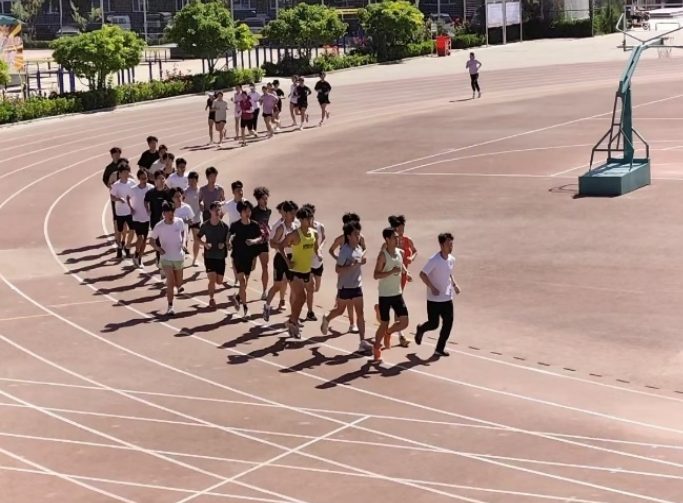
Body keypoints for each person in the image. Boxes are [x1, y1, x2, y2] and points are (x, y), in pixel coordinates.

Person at [321, 220, 371, 354]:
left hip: (357, 285)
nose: (358, 237)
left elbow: (359, 260)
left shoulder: (359, 248)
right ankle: (327, 318)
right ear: (348, 236)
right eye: (355, 234)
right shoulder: (344, 252)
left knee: (360, 313)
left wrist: (361, 262)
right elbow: (338, 269)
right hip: (345, 286)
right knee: (340, 310)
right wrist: (353, 265)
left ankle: (362, 341)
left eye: (359, 234)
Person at [414, 233, 461, 357]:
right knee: (434, 324)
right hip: (434, 299)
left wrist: (455, 285)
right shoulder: (434, 260)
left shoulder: (451, 259)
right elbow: (422, 274)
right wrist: (432, 287)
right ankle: (421, 329)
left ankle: (439, 348)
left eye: (451, 244)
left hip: (447, 298)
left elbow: (449, 273)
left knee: (448, 324)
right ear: (441, 245)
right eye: (447, 244)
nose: (450, 247)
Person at [374, 214, 416, 348]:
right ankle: (394, 338)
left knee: (402, 317)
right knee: (386, 320)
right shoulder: (384, 250)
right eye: (399, 228)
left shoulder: (404, 245)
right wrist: (391, 271)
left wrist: (406, 271)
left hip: (399, 283)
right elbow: (377, 272)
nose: (401, 230)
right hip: (386, 289)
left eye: (403, 227)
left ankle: (392, 332)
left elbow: (405, 259)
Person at [279, 205, 319, 338]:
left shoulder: (314, 234)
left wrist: (318, 254)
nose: (310, 220)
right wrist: (287, 261)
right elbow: (281, 246)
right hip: (294, 271)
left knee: (301, 299)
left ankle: (292, 321)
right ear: (302, 220)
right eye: (308, 219)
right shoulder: (295, 235)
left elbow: (315, 247)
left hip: (306, 271)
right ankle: (293, 322)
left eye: (311, 218)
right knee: (301, 297)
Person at [372, 227, 411, 362]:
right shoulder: (383, 256)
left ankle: (389, 333)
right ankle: (377, 348)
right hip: (385, 295)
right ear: (387, 240)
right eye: (394, 237)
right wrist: (390, 272)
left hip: (397, 293)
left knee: (404, 322)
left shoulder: (400, 252)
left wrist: (406, 272)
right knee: (384, 323)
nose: (397, 238)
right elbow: (376, 275)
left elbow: (400, 265)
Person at [329, 212, 366, 333]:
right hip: (344, 272)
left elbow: (364, 249)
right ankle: (352, 323)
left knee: (352, 300)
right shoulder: (341, 239)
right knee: (347, 302)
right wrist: (339, 260)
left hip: (354, 272)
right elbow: (331, 250)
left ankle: (353, 323)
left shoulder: (360, 238)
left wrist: (360, 258)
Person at [148, 201, 186, 316]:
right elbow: (151, 241)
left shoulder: (179, 222)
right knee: (170, 281)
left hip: (178, 257)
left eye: (172, 212)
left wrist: (184, 243)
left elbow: (184, 233)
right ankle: (170, 306)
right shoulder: (159, 226)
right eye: (168, 212)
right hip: (166, 258)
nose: (171, 214)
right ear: (164, 213)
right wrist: (159, 249)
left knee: (179, 283)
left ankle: (177, 288)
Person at [263, 200, 298, 322]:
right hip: (280, 259)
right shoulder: (280, 228)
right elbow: (272, 243)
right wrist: (282, 246)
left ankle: (294, 315)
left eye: (295, 214)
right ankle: (267, 305)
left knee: (294, 286)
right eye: (292, 214)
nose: (294, 216)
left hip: (291, 257)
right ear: (286, 213)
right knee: (278, 286)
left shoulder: (295, 227)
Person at [228, 200, 263, 316]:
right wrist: (228, 242)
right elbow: (229, 234)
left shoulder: (254, 225)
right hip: (238, 256)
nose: (247, 213)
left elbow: (260, 238)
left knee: (245, 283)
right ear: (240, 213)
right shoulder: (235, 225)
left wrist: (253, 241)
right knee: (242, 281)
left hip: (250, 256)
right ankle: (245, 308)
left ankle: (238, 297)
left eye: (248, 210)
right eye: (244, 211)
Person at [198, 201, 231, 309]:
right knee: (212, 279)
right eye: (215, 210)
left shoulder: (225, 227)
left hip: (220, 257)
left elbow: (229, 242)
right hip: (209, 256)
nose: (218, 212)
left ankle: (214, 289)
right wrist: (204, 244)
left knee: (219, 281)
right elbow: (197, 238)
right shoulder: (205, 225)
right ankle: (211, 299)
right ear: (210, 211)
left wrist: (225, 245)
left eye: (219, 209)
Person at [144, 171, 173, 278]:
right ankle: (161, 267)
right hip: (155, 222)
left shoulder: (168, 192)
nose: (162, 180)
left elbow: (173, 204)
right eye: (159, 179)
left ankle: (165, 263)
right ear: (155, 180)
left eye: (163, 178)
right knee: (158, 244)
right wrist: (148, 211)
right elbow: (145, 201)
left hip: (168, 223)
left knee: (166, 244)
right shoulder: (151, 193)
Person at [109, 160, 136, 259]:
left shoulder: (132, 183)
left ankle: (128, 246)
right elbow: (111, 197)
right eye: (123, 172)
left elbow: (135, 194)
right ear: (119, 174)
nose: (125, 174)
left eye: (127, 172)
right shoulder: (116, 185)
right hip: (120, 212)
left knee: (132, 229)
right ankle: (119, 247)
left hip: (130, 211)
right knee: (119, 231)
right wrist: (118, 199)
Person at [128, 168, 154, 269]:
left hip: (147, 217)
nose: (145, 180)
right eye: (142, 178)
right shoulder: (134, 189)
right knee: (140, 237)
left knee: (144, 240)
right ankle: (137, 255)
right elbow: (127, 198)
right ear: (139, 178)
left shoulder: (151, 188)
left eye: (146, 178)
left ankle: (139, 257)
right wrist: (131, 208)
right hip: (137, 217)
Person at [303, 203, 325, 322]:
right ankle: (310, 311)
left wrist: (320, 249)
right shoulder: (302, 229)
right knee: (310, 288)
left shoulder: (319, 227)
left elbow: (324, 238)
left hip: (318, 262)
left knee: (317, 288)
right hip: (307, 263)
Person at [251, 186, 272, 300]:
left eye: (266, 198)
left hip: (264, 242)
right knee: (251, 267)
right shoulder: (253, 212)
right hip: (254, 242)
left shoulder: (269, 211)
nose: (266, 200)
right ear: (258, 199)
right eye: (264, 198)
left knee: (265, 266)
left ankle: (264, 291)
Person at [103, 147, 122, 238]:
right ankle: (116, 231)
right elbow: (105, 179)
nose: (116, 156)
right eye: (114, 154)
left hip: (125, 193)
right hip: (115, 194)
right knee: (115, 213)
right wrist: (111, 188)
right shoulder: (109, 168)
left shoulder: (124, 165)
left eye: (118, 154)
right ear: (111, 155)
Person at [184, 171, 203, 267]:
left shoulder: (200, 191)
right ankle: (181, 257)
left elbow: (201, 202)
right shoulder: (185, 192)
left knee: (197, 239)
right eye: (189, 180)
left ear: (197, 180)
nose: (190, 182)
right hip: (186, 219)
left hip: (196, 219)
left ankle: (195, 260)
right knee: (183, 240)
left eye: (192, 180)